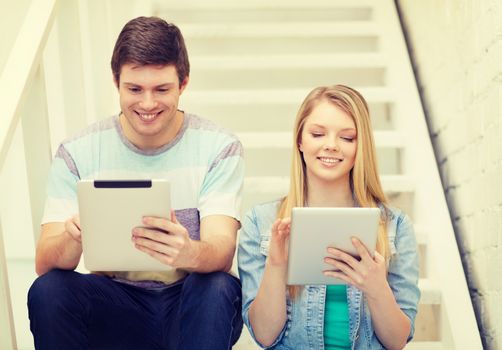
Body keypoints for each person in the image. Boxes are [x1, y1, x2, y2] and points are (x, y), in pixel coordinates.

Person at [28, 16, 244, 350]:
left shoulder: (218, 146)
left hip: (190, 304)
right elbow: (45, 261)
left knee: (217, 285)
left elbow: (222, 250)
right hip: (117, 303)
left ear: (183, 83)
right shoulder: (79, 151)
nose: (147, 104)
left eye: (161, 89)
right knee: (49, 290)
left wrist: (188, 252)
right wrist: (74, 238)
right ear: (116, 81)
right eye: (134, 89)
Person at [238, 85, 420, 349]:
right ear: (300, 141)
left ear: (362, 147)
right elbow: (265, 335)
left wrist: (377, 288)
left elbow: (397, 341)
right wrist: (276, 265)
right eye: (317, 134)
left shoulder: (394, 226)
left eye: (347, 138)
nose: (331, 146)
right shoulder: (261, 222)